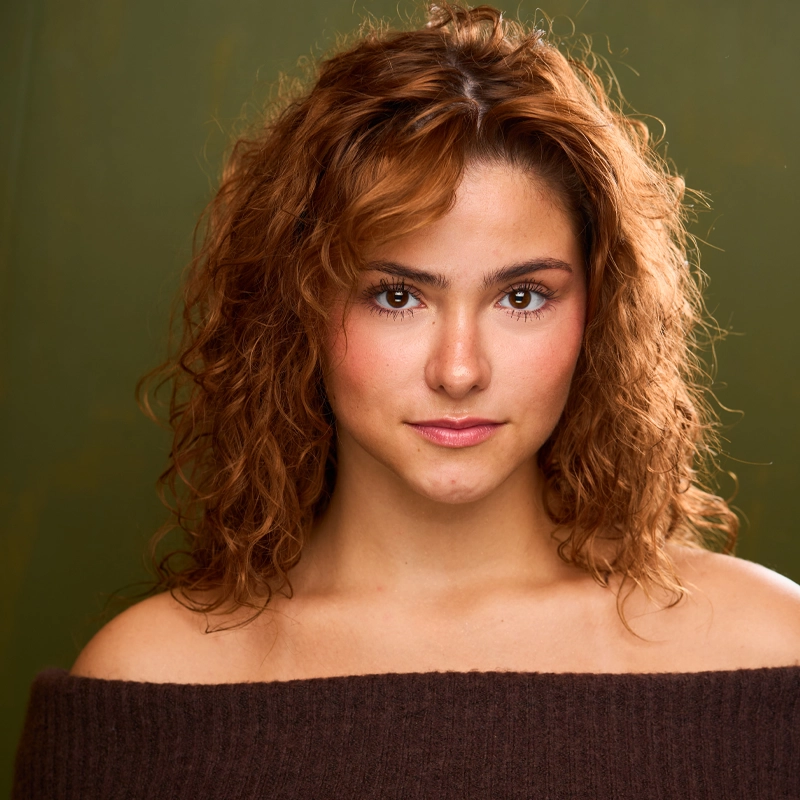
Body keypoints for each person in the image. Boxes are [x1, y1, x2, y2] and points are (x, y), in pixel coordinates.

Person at [13, 3, 800, 798]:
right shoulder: (149, 687)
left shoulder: (769, 655)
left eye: (523, 296)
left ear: (601, 311)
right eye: (395, 295)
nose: (458, 370)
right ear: (300, 306)